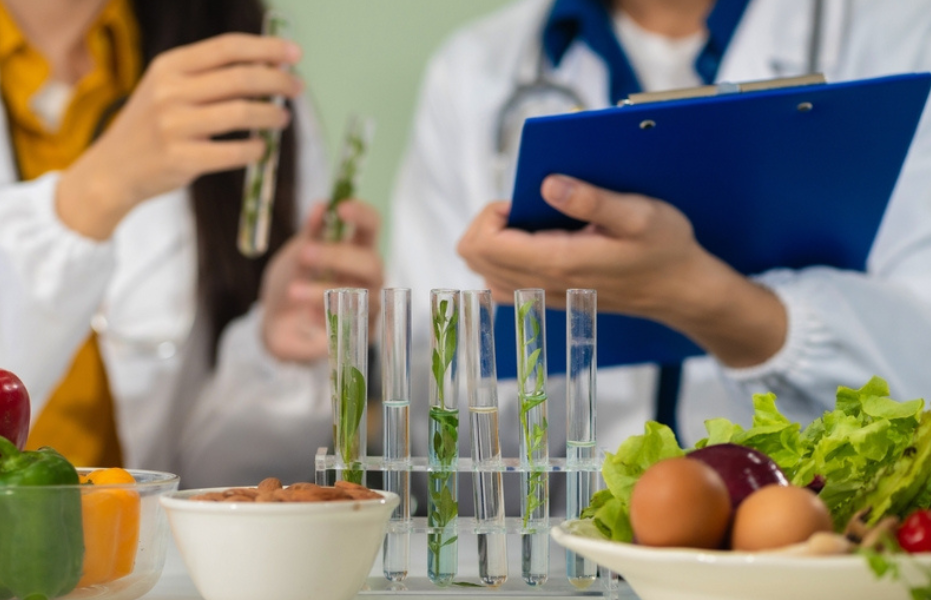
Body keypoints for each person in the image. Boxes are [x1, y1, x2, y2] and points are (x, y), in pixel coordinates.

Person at [0, 0, 384, 500]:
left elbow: (209, 481)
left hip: (139, 567)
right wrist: (94, 195)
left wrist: (273, 353)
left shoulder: (235, 63)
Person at [390, 0, 931, 458]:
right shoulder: (473, 71)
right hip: (566, 568)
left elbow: (918, 381)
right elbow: (436, 434)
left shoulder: (902, 32)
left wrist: (712, 304)